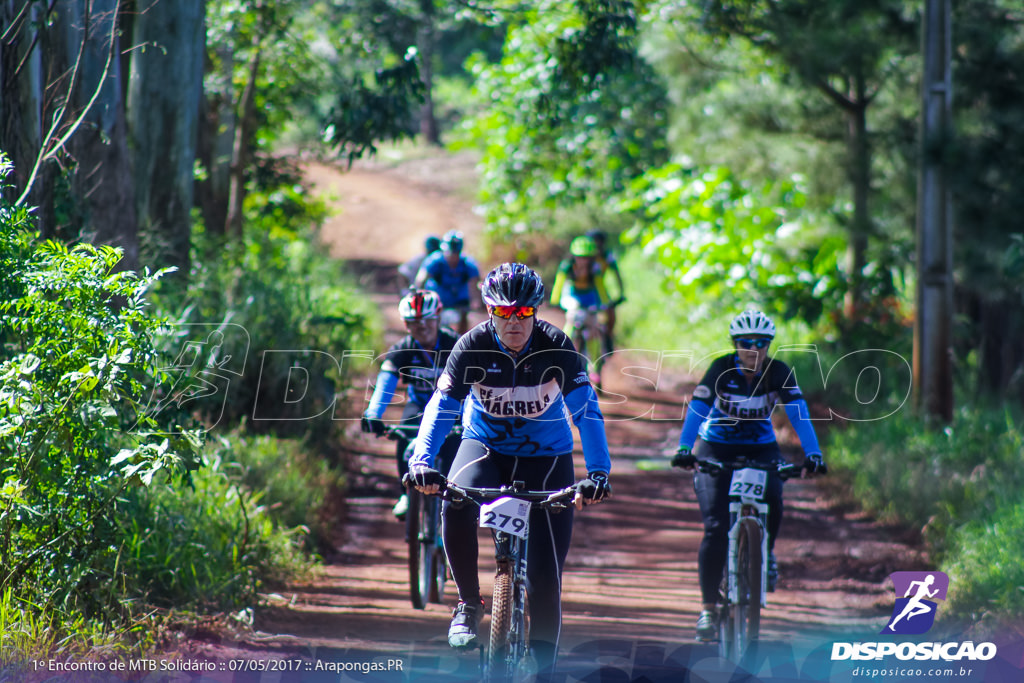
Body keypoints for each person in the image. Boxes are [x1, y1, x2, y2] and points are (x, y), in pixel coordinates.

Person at [407, 263, 612, 674]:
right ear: (489, 311)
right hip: (485, 448)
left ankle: (543, 667)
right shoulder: (471, 346)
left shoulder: (558, 347)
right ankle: (467, 603)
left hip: (548, 458)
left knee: (545, 574)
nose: (513, 322)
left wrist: (598, 472)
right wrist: (422, 461)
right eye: (503, 313)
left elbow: (587, 413)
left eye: (522, 313)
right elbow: (441, 408)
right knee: (456, 500)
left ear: (536, 311)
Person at [670, 310, 827, 641]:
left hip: (761, 448)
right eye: (745, 344)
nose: (752, 351)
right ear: (735, 345)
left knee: (775, 495)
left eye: (760, 344)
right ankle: (708, 610)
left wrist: (813, 454)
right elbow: (698, 408)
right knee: (715, 528)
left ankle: (765, 552)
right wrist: (686, 448)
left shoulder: (779, 372)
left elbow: (799, 414)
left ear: (768, 346)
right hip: (716, 447)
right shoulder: (720, 370)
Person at [361, 289, 461, 518]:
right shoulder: (402, 349)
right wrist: (373, 413)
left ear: (438, 317)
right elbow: (385, 382)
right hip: (419, 408)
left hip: (454, 409)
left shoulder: (456, 345)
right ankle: (405, 493)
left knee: (455, 446)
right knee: (403, 435)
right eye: (414, 322)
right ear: (406, 325)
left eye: (427, 320)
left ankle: (457, 495)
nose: (422, 326)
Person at [414, 229, 481, 334]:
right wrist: (418, 298)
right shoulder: (435, 260)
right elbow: (421, 279)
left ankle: (461, 340)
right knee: (434, 320)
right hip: (438, 297)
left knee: (464, 314)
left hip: (459, 299)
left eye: (455, 253)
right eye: (450, 252)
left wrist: (476, 301)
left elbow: (475, 284)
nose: (452, 256)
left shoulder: (468, 263)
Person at [585, 229, 626, 354]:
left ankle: (608, 336)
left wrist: (621, 292)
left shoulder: (607, 256)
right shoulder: (586, 256)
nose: (598, 245)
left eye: (599, 242)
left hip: (600, 289)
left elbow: (616, 273)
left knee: (610, 314)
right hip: (585, 291)